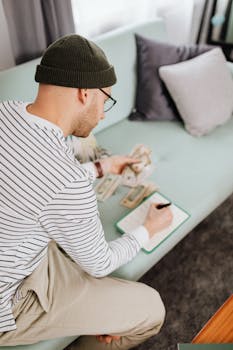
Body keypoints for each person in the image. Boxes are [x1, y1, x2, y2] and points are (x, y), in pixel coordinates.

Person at [0, 34, 173, 349]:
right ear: (84, 93)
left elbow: (35, 184)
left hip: (15, 249)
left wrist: (99, 168)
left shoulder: (7, 112)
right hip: (11, 301)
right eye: (106, 99)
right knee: (151, 310)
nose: (104, 113)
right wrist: (147, 230)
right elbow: (100, 263)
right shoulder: (65, 181)